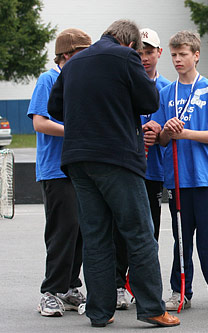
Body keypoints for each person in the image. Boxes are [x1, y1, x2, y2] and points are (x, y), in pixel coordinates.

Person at [47, 19, 180, 327]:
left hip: (78, 160)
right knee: (139, 233)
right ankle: (151, 308)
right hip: (117, 159)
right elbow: (149, 100)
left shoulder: (75, 61)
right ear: (130, 44)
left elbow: (56, 108)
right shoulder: (125, 57)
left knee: (95, 236)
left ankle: (99, 311)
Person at [152, 30, 208, 313]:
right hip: (177, 179)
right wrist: (166, 131)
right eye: (174, 55)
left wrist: (184, 132)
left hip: (207, 177)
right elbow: (161, 139)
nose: (177, 60)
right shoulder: (166, 93)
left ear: (196, 55)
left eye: (183, 54)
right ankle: (180, 291)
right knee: (180, 240)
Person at [27, 28, 91, 318]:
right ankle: (49, 292)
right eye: (81, 53)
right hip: (55, 169)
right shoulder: (48, 79)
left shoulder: (79, 81)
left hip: (79, 167)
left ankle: (69, 287)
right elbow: (40, 123)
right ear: (66, 55)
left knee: (80, 231)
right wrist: (74, 131)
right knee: (62, 230)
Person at [113, 27, 171, 311]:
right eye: (139, 53)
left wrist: (160, 133)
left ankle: (139, 286)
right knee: (121, 231)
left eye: (149, 52)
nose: (144, 58)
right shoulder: (124, 83)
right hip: (127, 169)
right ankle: (117, 285)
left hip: (154, 172)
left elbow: (173, 131)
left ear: (159, 53)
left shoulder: (168, 89)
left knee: (149, 233)